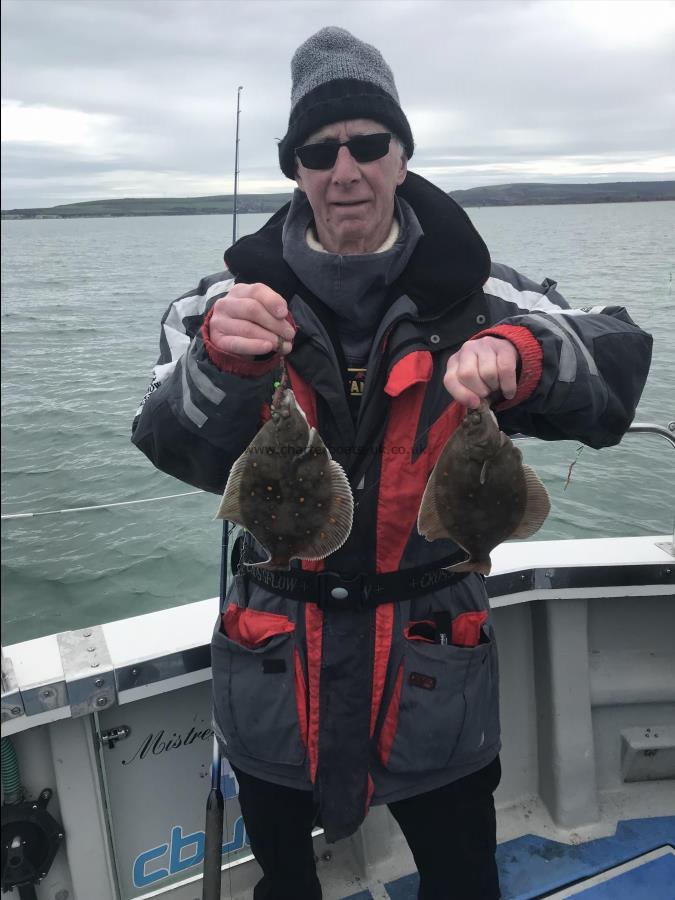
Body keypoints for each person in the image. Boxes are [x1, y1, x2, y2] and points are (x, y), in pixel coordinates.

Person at [132, 26, 652, 900]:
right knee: (284, 884)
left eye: (368, 144)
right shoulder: (218, 309)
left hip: (433, 669)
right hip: (274, 669)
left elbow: (616, 355)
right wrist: (222, 368)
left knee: (460, 880)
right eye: (317, 150)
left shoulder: (485, 291)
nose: (345, 171)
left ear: (402, 154)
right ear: (293, 167)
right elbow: (167, 442)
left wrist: (525, 354)